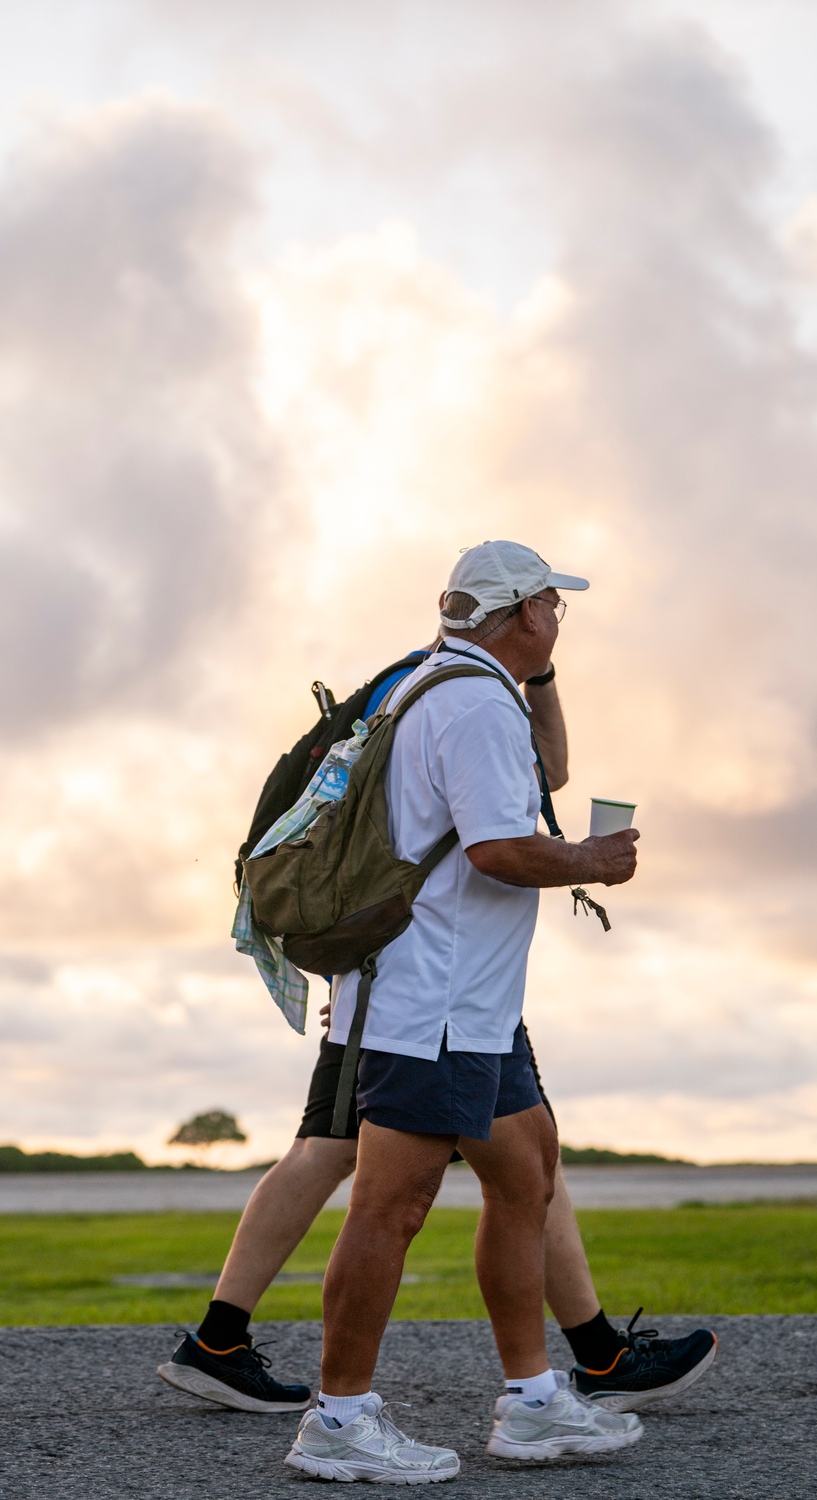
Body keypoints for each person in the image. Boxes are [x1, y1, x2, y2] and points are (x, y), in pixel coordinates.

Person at [158, 544, 715, 1461]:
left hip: (473, 1003)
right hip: (436, 1000)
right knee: (392, 1205)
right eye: (551, 606)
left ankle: (537, 1394)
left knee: (527, 1175)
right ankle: (338, 1422)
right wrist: (591, 861)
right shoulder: (469, 704)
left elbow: (533, 785)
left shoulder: (459, 685)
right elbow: (499, 849)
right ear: (519, 614)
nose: (558, 620)